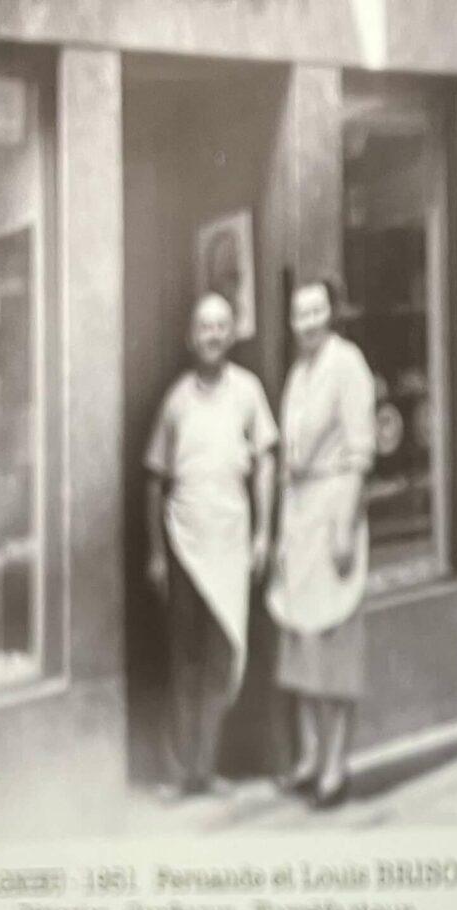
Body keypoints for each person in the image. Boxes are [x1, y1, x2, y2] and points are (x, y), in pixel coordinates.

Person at [144, 291, 277, 797]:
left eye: (222, 325)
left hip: (230, 543)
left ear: (233, 333)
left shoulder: (248, 391)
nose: (214, 335)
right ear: (190, 337)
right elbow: (153, 478)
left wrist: (263, 533)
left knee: (223, 659)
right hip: (184, 543)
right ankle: (184, 773)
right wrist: (157, 553)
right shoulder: (176, 399)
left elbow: (266, 462)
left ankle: (208, 766)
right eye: (205, 326)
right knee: (185, 658)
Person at [266, 276, 377, 807]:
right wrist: (281, 534)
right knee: (301, 645)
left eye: (316, 311)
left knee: (334, 644)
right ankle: (311, 756)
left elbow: (359, 453)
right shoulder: (298, 373)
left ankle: (337, 766)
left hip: (334, 507)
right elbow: (290, 460)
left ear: (331, 312)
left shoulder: (347, 364)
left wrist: (344, 528)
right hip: (299, 513)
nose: (308, 322)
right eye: (299, 314)